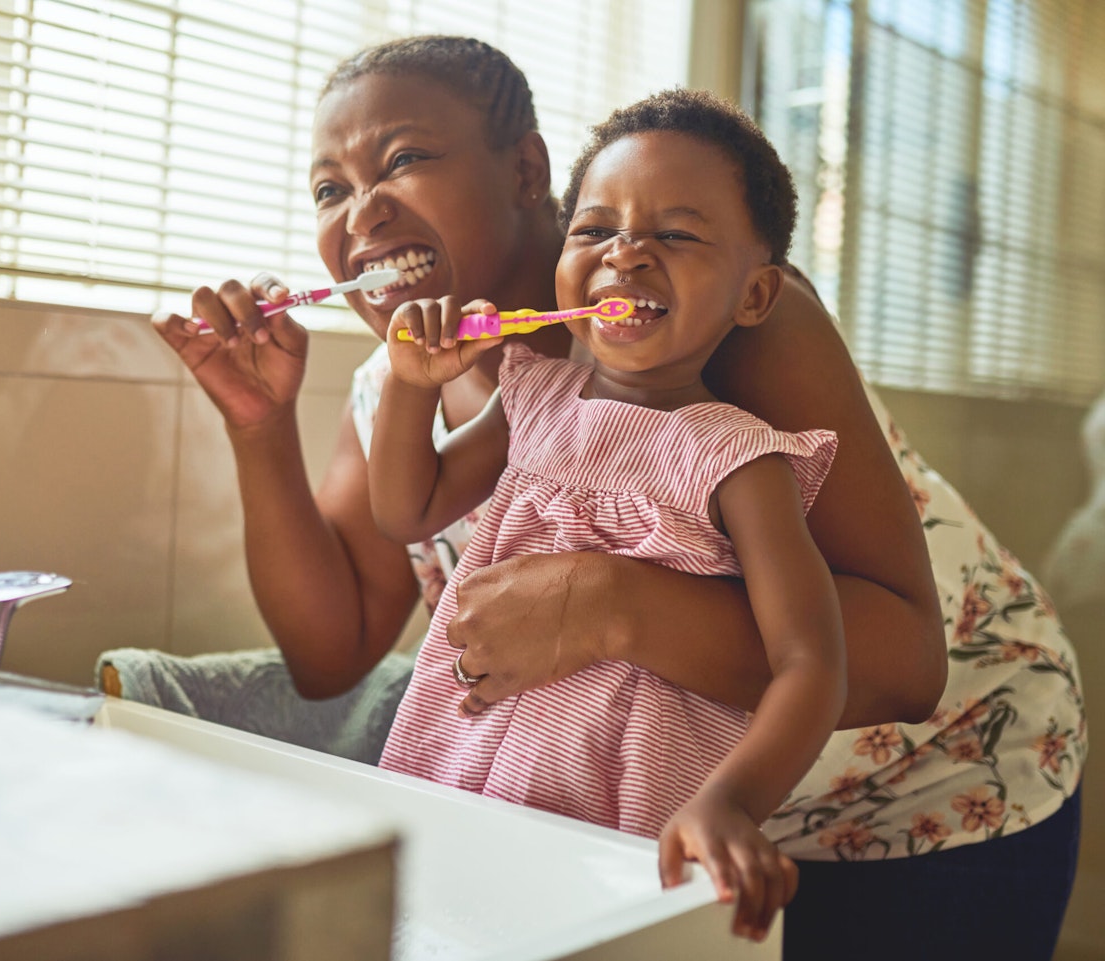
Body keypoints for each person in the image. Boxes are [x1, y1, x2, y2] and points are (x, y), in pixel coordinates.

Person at [105, 35, 1084, 960]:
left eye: (401, 161)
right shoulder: (397, 385)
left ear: (528, 171)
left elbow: (905, 660)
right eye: (330, 188)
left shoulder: (739, 320)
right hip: (649, 840)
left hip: (930, 793)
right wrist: (258, 426)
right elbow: (333, 649)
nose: (360, 212)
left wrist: (607, 604)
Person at [369, 89, 845, 942]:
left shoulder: (741, 458)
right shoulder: (531, 396)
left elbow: (811, 661)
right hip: (459, 777)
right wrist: (412, 389)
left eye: (677, 234)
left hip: (620, 816)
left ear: (755, 295)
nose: (626, 253)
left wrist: (731, 802)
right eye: (593, 231)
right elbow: (406, 505)